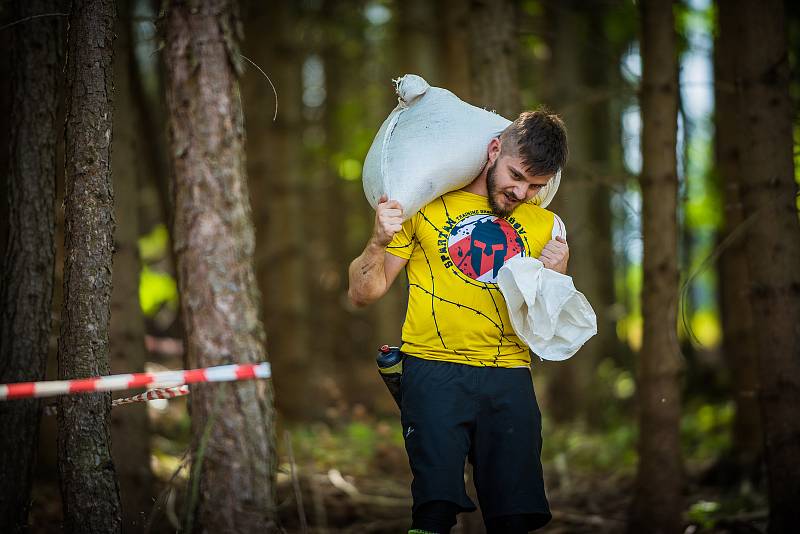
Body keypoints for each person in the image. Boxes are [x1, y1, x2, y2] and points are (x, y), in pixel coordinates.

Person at [348, 109, 569, 534]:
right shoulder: (424, 207)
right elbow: (363, 294)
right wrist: (377, 241)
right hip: (433, 371)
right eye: (516, 176)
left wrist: (557, 277)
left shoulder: (548, 228)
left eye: (536, 185)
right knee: (433, 513)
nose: (522, 192)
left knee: (515, 518)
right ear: (493, 151)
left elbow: (549, 327)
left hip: (509, 377)